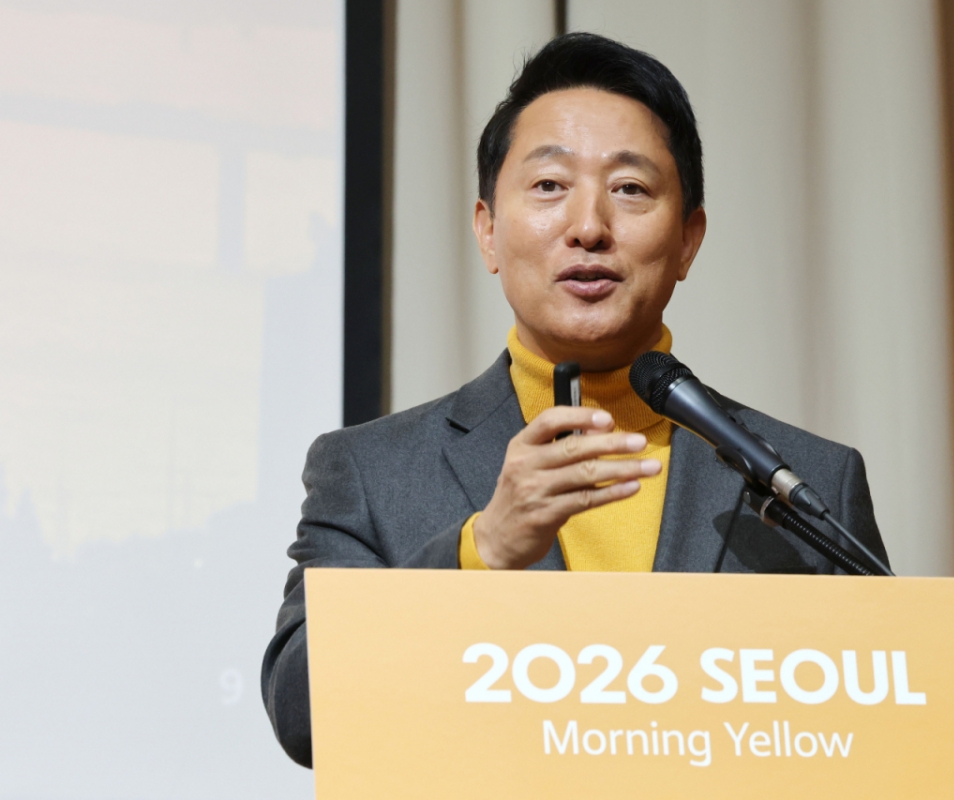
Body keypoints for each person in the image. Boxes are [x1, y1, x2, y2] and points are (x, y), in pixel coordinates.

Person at [262, 32, 888, 768]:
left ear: (688, 240)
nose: (589, 227)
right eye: (549, 186)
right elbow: (303, 715)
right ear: (487, 231)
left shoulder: (811, 482)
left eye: (630, 189)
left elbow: (885, 738)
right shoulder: (372, 473)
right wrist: (481, 552)